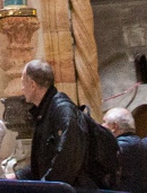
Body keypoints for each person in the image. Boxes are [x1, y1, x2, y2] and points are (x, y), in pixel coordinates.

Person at [16, 59, 97, 190]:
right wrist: (19, 177)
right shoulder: (45, 110)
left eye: (23, 82)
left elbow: (68, 159)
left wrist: (47, 187)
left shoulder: (62, 110)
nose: (22, 88)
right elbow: (44, 159)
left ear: (32, 84)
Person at [105, 107, 147, 193]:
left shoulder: (118, 147)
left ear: (114, 127)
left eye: (105, 122)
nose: (102, 125)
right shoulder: (139, 142)